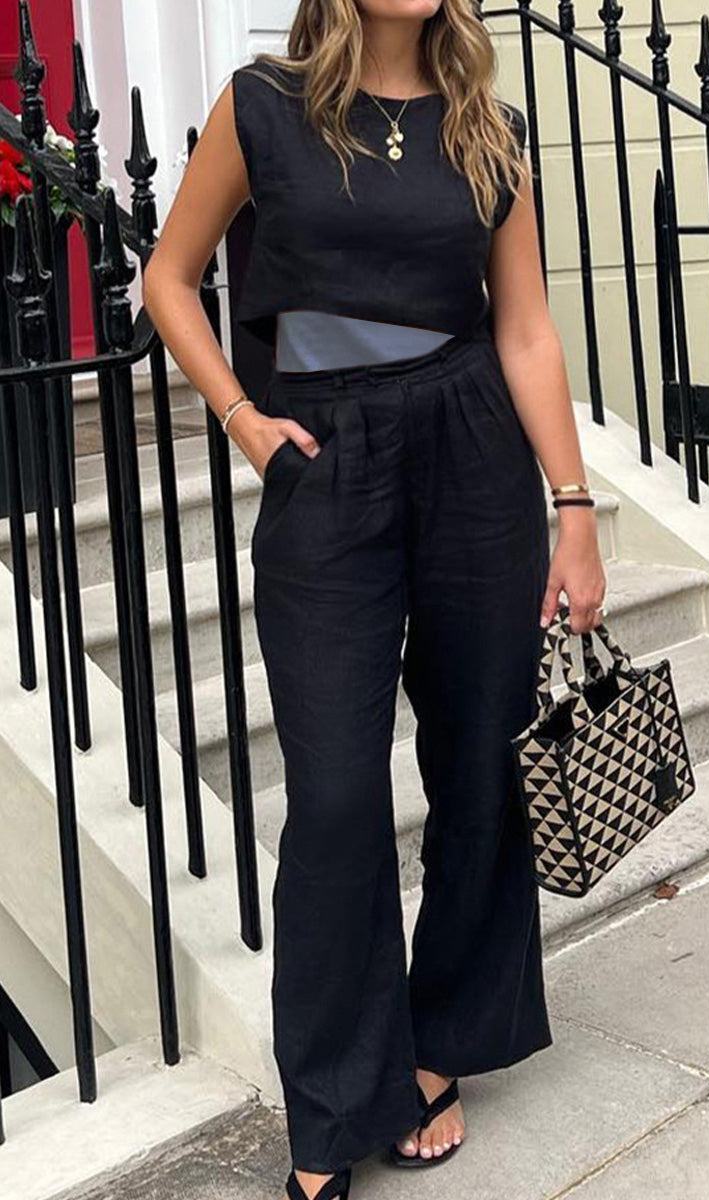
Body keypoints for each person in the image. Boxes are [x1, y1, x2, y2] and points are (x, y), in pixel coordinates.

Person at [142, 2, 606, 1197]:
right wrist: (243, 420)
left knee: (475, 764)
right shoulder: (264, 108)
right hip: (326, 460)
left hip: (472, 455)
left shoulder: (487, 128)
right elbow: (169, 277)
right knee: (339, 793)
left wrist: (572, 510)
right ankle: (337, 1103)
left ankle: (441, 1042)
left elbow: (525, 331)